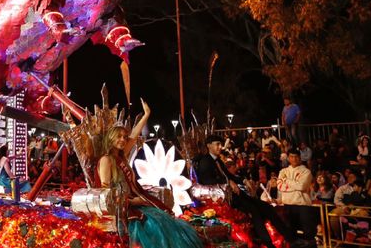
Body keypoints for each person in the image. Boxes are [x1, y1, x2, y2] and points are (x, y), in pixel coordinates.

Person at [98, 99, 202, 248]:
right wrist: (131, 202)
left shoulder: (120, 156)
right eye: (119, 136)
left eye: (124, 137)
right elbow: (105, 193)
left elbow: (134, 135)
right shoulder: (106, 160)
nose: (123, 140)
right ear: (111, 138)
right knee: (155, 224)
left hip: (133, 203)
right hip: (122, 209)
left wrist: (146, 115)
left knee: (164, 220)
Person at [196, 135, 309, 248]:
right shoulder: (205, 161)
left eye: (221, 144)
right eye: (217, 144)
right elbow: (207, 181)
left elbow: (229, 175)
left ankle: (291, 239)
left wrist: (244, 180)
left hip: (236, 194)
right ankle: (269, 244)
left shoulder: (218, 161)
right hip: (224, 198)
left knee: (266, 206)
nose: (220, 147)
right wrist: (228, 183)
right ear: (209, 145)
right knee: (254, 210)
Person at [278, 149, 316, 244]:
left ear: (300, 158)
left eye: (296, 157)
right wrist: (295, 185)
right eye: (291, 156)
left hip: (303, 205)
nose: (294, 159)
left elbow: (301, 186)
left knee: (308, 233)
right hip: (288, 205)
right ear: (288, 158)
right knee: (290, 233)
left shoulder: (306, 171)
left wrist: (286, 181)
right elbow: (280, 186)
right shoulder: (283, 171)